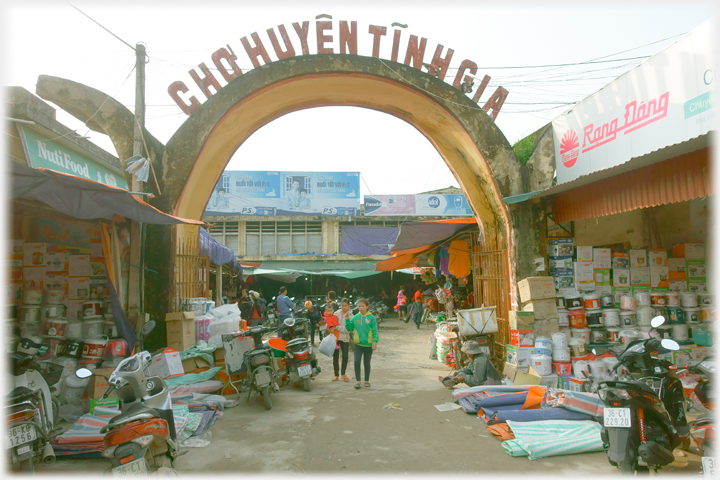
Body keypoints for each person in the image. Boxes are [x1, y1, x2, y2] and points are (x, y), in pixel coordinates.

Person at [345, 298, 378, 389]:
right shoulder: (355, 317)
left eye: (362, 306)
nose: (360, 308)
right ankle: (358, 381)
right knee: (356, 361)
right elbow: (349, 328)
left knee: (367, 363)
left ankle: (366, 380)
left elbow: (375, 331)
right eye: (359, 306)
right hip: (358, 345)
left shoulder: (371, 318)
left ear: (367, 307)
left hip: (368, 345)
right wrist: (347, 320)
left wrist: (374, 342)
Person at [334, 298, 352, 382]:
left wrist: (337, 327)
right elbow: (331, 323)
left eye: (345, 306)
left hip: (345, 338)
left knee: (345, 356)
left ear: (348, 306)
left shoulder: (351, 315)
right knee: (335, 357)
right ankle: (336, 374)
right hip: (336, 338)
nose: (344, 307)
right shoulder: (336, 313)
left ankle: (343, 373)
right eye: (342, 305)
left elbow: (348, 329)